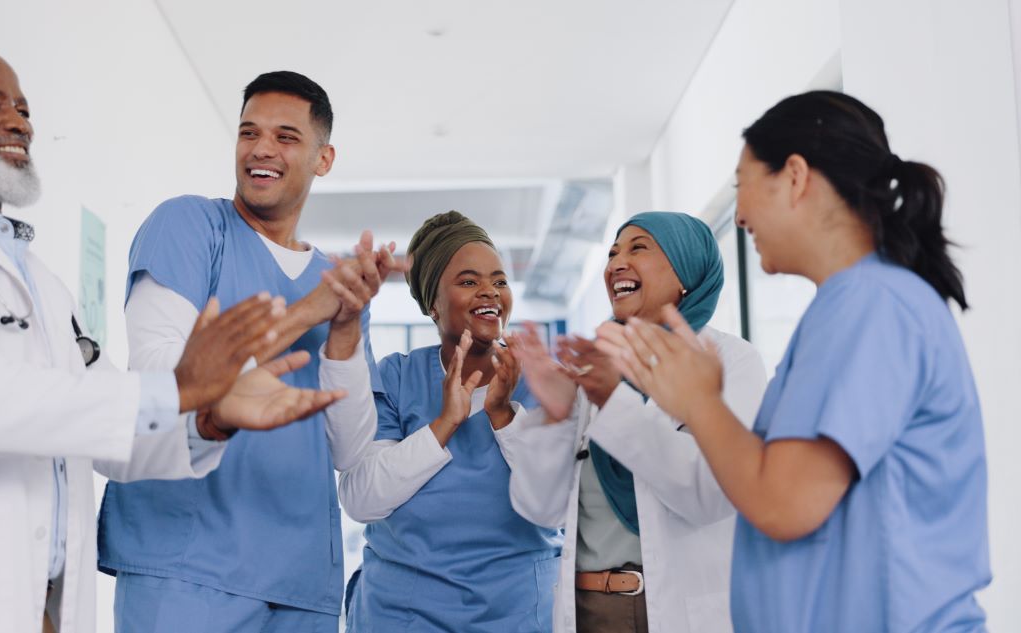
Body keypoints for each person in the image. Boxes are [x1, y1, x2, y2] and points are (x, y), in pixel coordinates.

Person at [0, 46, 344, 633]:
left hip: (35, 605)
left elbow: (112, 443)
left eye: (21, 107)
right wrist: (176, 389)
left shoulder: (39, 283)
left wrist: (207, 420)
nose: (18, 122)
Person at [601, 91, 990, 632]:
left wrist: (699, 402)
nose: (738, 215)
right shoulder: (852, 306)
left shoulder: (869, 306)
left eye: (743, 187)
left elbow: (783, 503)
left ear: (795, 177)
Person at [97, 71, 400, 632]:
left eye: (286, 137)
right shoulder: (190, 226)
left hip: (301, 578)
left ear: (323, 158)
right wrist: (310, 312)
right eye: (248, 133)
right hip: (186, 567)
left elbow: (349, 451)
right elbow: (161, 378)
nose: (262, 149)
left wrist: (345, 327)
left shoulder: (337, 282)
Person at [505, 212, 766, 633]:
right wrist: (552, 419)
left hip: (679, 611)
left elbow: (712, 496)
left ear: (685, 270)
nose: (616, 264)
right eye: (612, 253)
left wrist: (612, 402)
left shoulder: (732, 362)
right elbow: (541, 510)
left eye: (637, 248)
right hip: (588, 611)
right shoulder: (595, 365)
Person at [321, 210, 563, 632]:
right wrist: (444, 424)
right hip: (404, 617)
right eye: (469, 281)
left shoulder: (543, 379)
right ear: (432, 302)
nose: (489, 292)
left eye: (499, 281)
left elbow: (560, 504)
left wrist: (504, 416)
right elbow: (360, 499)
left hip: (520, 614)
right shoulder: (397, 378)